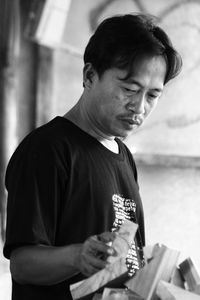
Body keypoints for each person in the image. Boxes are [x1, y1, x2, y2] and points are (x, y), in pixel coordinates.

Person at [3, 13, 182, 300]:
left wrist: (157, 279)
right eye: (129, 89)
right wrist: (77, 257)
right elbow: (22, 264)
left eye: (152, 96)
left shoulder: (123, 155)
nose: (139, 107)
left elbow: (121, 263)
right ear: (89, 76)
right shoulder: (47, 150)